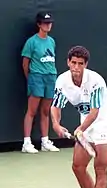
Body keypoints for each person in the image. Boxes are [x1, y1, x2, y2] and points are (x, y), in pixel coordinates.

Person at [51, 46, 107, 188]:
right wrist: (56, 124)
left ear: (85, 65)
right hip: (86, 127)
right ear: (68, 62)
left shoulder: (96, 81)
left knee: (100, 167)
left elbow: (95, 112)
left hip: (105, 123)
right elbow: (56, 106)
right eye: (73, 63)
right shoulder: (62, 81)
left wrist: (80, 129)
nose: (76, 67)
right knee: (78, 166)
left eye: (80, 64)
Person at [21, 11, 59, 153]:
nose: (48, 25)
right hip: (36, 77)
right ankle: (26, 143)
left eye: (49, 23)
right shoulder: (31, 42)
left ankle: (45, 141)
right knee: (32, 111)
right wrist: (31, 78)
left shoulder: (51, 41)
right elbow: (25, 63)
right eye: (45, 23)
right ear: (39, 24)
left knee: (45, 111)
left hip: (51, 77)